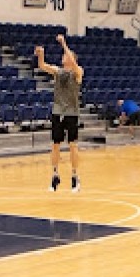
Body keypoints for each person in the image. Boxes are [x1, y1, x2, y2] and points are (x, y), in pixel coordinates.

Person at [35, 34, 83, 192]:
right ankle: (55, 175)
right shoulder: (58, 71)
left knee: (73, 145)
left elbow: (74, 64)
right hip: (58, 112)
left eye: (66, 55)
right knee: (55, 145)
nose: (63, 57)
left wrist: (64, 44)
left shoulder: (78, 72)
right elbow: (42, 66)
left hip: (72, 113)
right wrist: (40, 55)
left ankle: (75, 177)